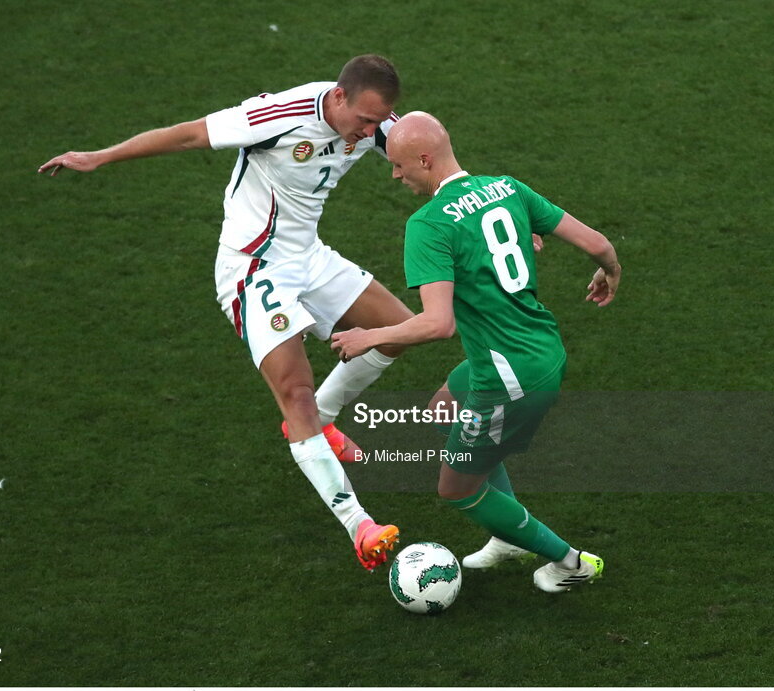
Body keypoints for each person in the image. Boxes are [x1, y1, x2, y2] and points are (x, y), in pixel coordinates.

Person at [37, 55, 415, 571]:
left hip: (310, 258)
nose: (373, 133)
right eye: (366, 121)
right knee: (295, 392)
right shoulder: (279, 116)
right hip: (254, 268)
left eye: (380, 121)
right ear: (339, 97)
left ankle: (320, 424)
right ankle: (359, 525)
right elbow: (190, 134)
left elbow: (426, 154)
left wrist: (486, 211)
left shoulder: (372, 123)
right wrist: (99, 157)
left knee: (399, 329)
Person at [331, 111, 622, 592]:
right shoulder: (507, 187)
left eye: (400, 165)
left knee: (456, 488)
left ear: (425, 158)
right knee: (445, 404)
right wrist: (609, 269)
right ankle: (506, 535)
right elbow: (597, 243)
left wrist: (369, 337)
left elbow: (437, 324)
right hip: (537, 348)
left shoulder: (427, 225)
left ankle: (571, 562)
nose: (395, 174)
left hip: (509, 378)